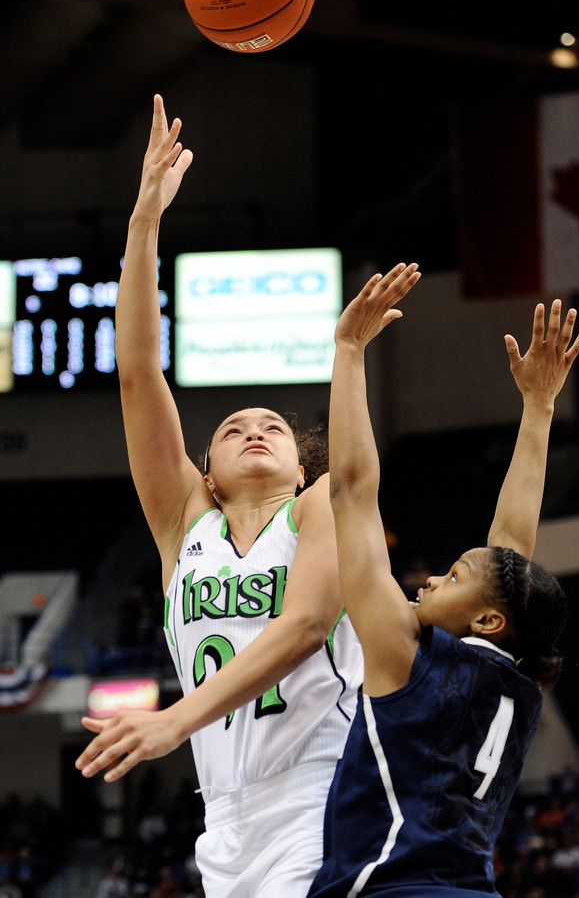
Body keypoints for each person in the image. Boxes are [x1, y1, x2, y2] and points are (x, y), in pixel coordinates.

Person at [74, 95, 363, 898]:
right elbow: (137, 376)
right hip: (225, 814)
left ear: (300, 469)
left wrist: (172, 719)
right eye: (234, 428)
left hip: (325, 786)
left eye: (273, 425)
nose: (258, 431)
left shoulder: (321, 504)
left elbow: (306, 625)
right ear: (203, 471)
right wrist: (143, 224)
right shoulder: (182, 527)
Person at [307, 263, 579, 898]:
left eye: (452, 575)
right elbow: (509, 555)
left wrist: (349, 351)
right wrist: (538, 409)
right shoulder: (515, 685)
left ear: (488, 619)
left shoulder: (407, 656)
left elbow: (350, 493)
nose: (431, 579)